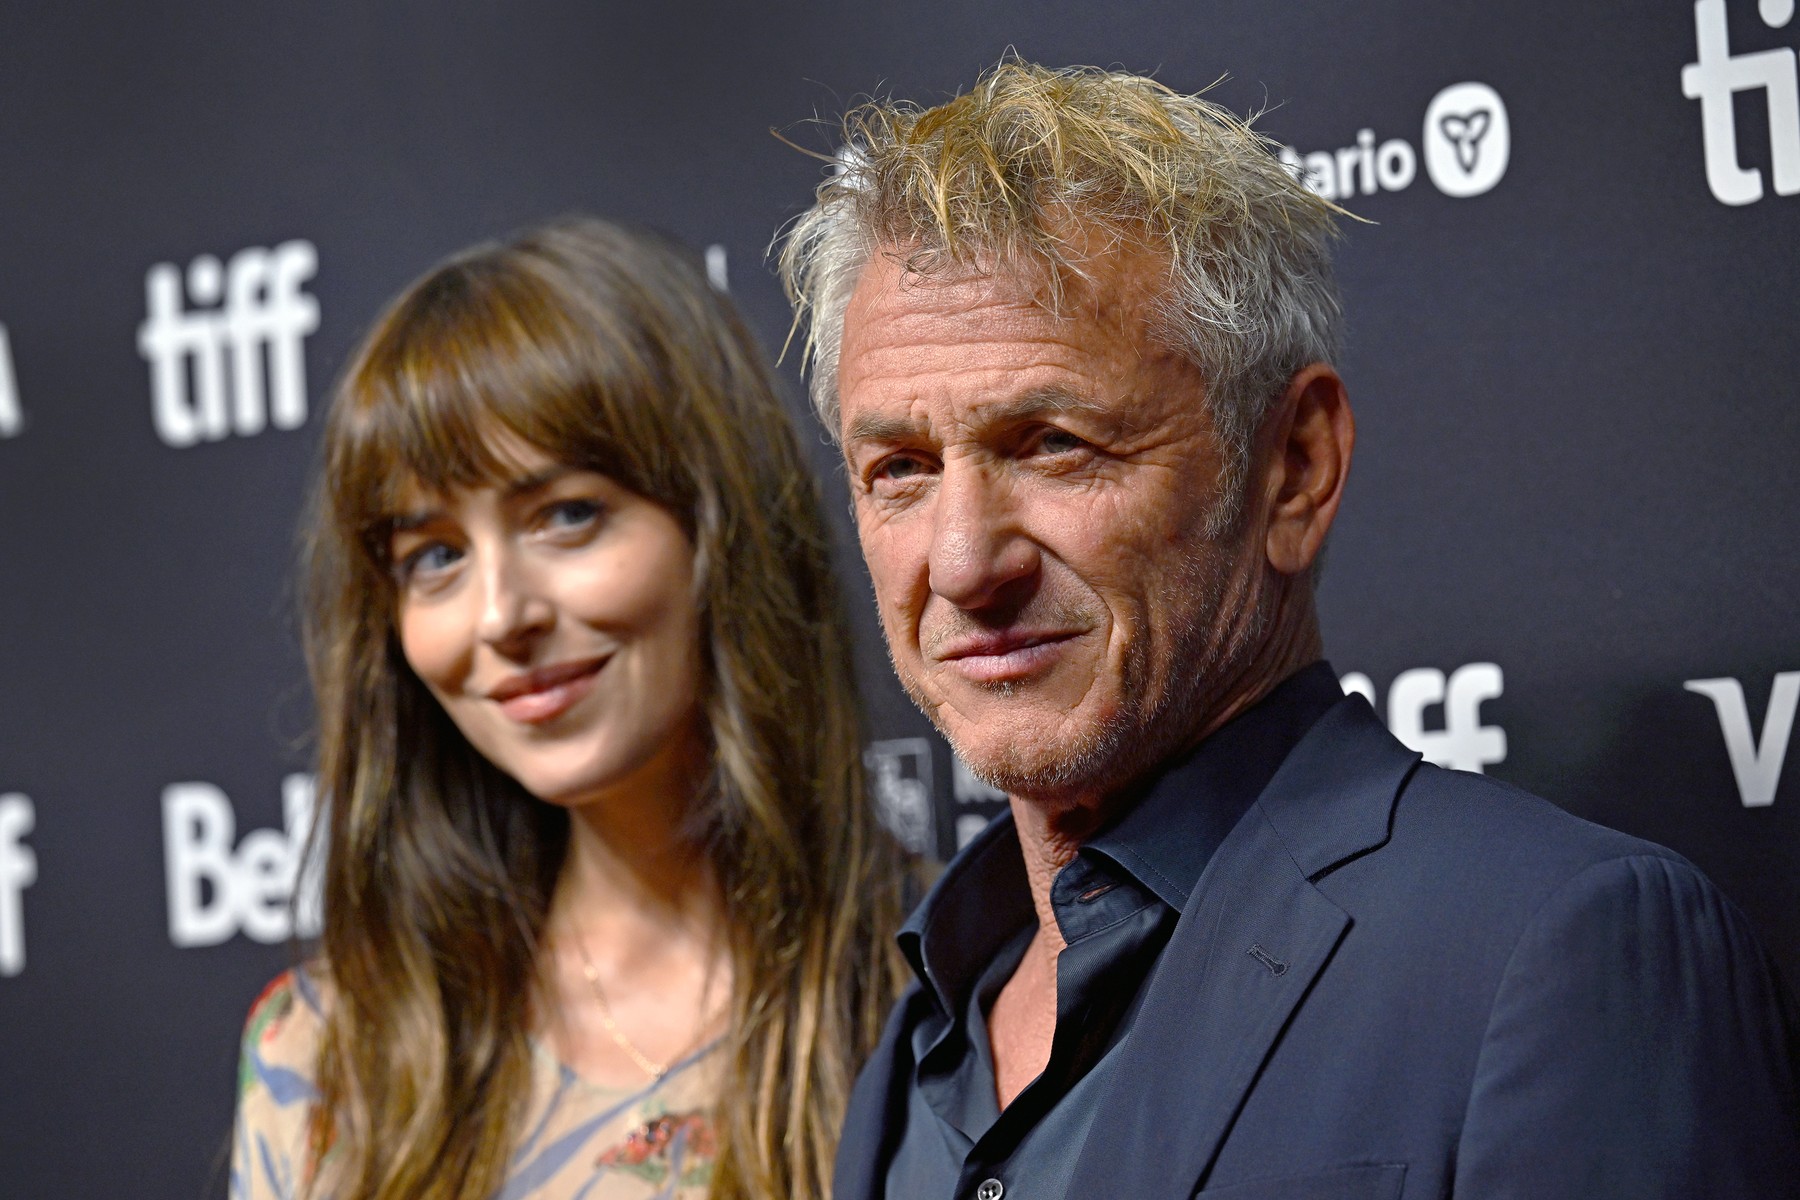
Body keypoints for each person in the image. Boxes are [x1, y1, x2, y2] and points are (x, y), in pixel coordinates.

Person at [777, 60, 1800, 1197]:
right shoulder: (920, 1016)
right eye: (900, 470)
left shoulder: (1552, 952)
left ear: (1295, 469)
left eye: (1053, 442)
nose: (964, 564)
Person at [229, 217, 906, 1200]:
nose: (502, 616)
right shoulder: (329, 1059)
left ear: (717, 527)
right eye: (435, 556)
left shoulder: (957, 997)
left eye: (567, 515)